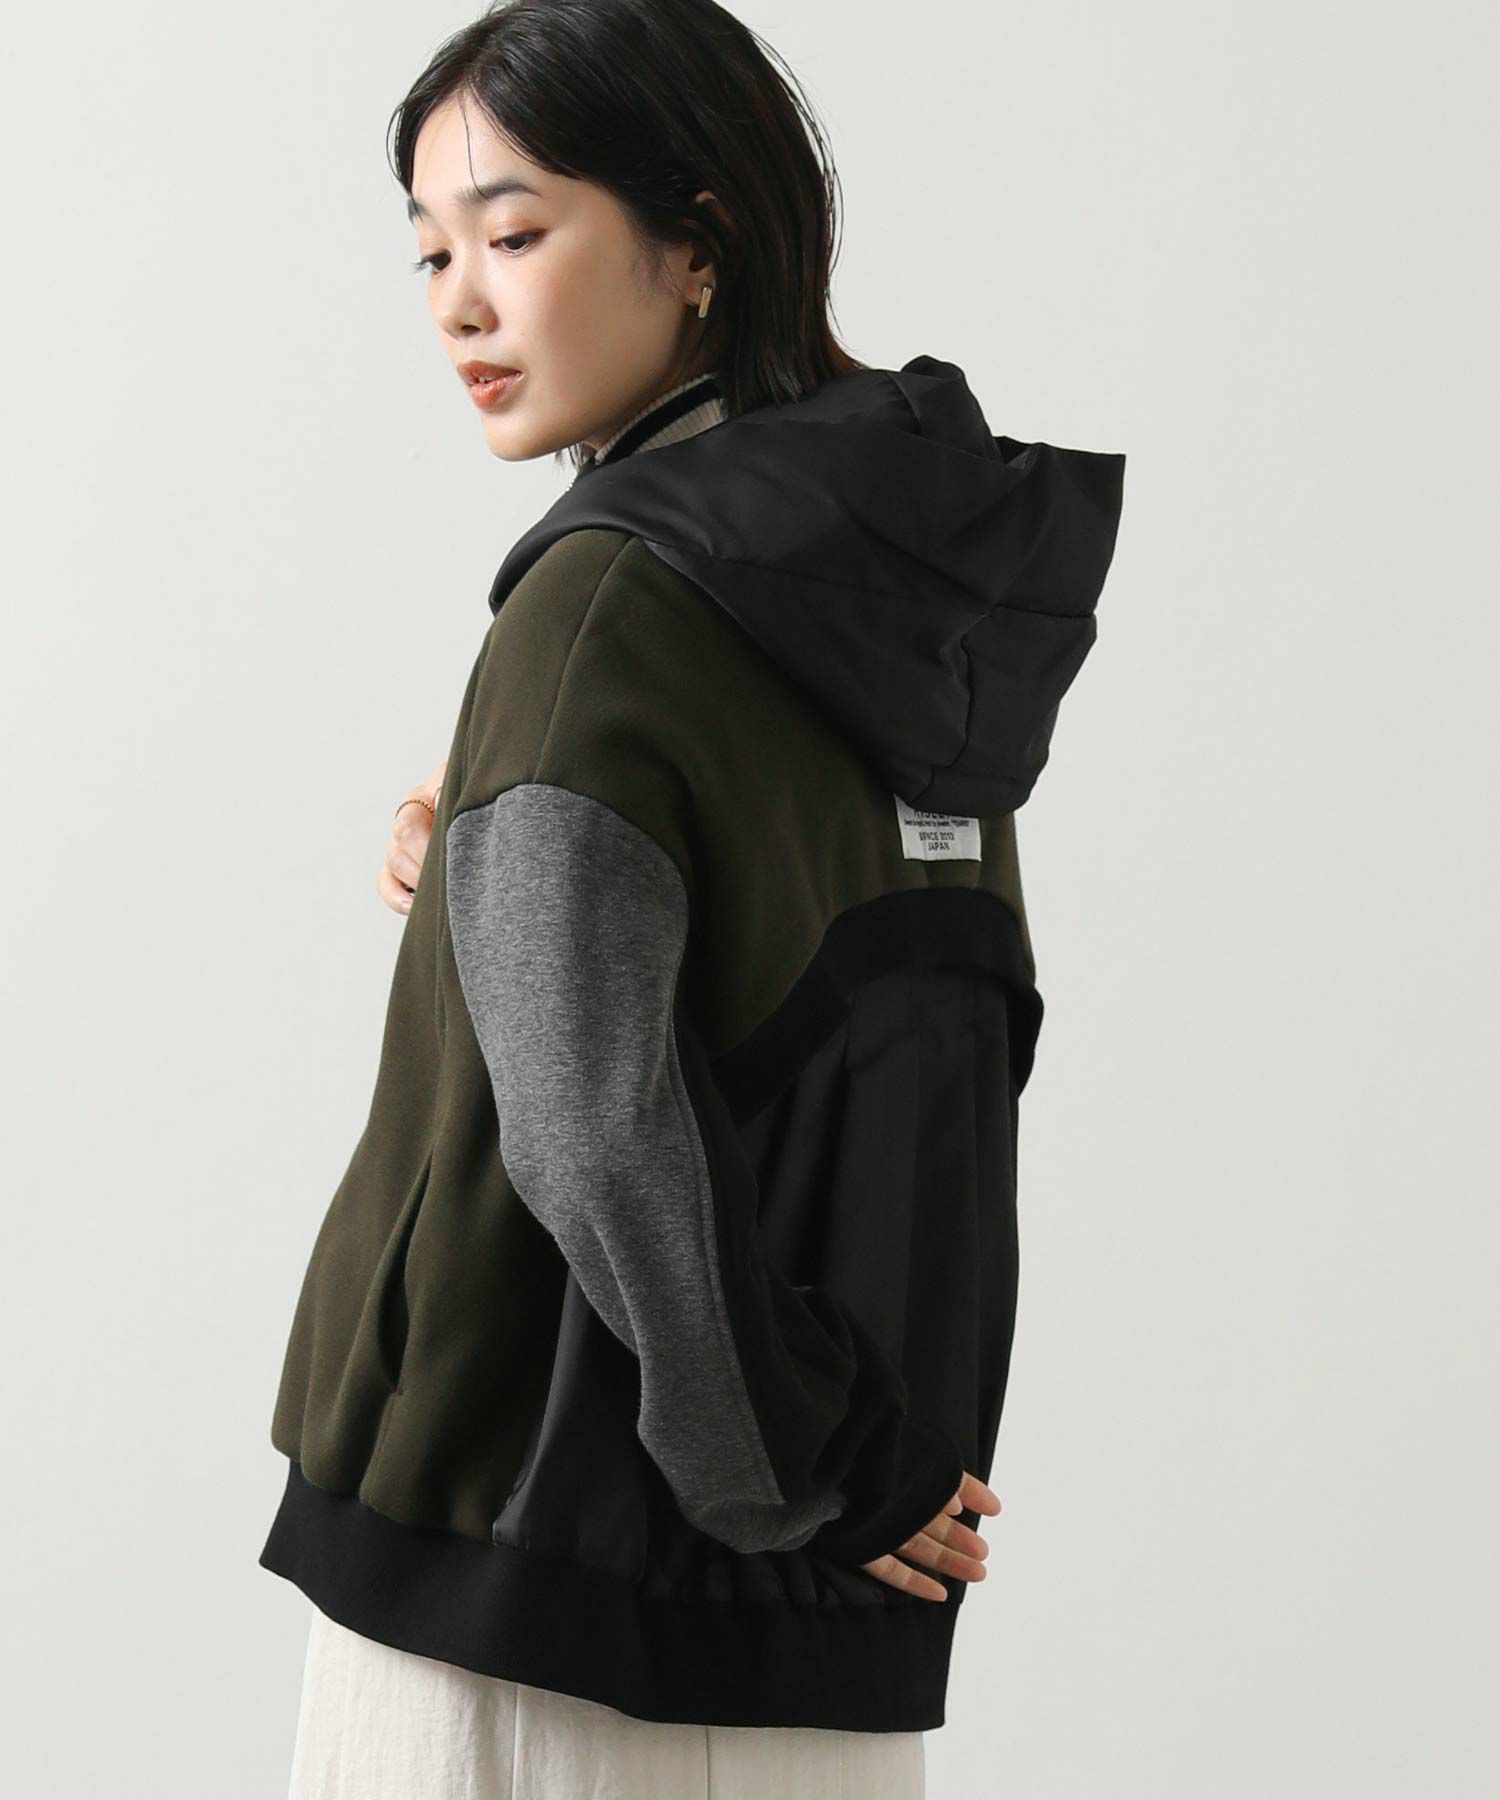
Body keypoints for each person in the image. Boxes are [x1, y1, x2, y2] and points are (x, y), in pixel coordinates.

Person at [259, 1, 1127, 1794]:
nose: (458, 304)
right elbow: (842, 991)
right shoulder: (902, 602)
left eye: (513, 232)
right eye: (430, 251)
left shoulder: (606, 609)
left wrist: (783, 1457)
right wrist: (490, 850)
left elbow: (590, 1122)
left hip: (523, 1590)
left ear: (702, 239)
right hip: (836, 1597)